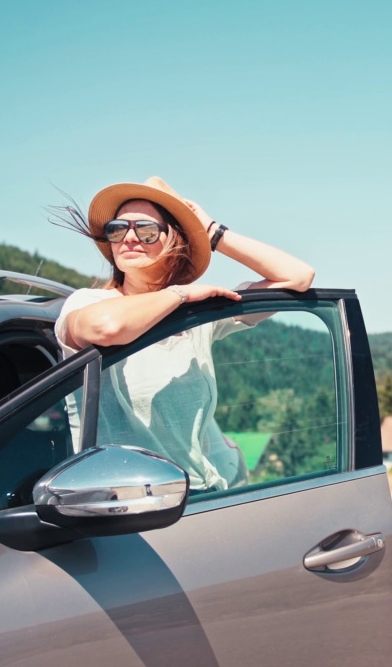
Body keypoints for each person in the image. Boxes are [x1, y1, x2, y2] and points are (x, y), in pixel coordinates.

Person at [51, 177, 314, 492]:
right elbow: (106, 327)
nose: (129, 237)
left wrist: (213, 232)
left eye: (146, 230)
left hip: (198, 498)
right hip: (122, 504)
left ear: (173, 240)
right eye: (117, 229)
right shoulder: (90, 303)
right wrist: (180, 294)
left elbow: (298, 276)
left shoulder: (195, 318)